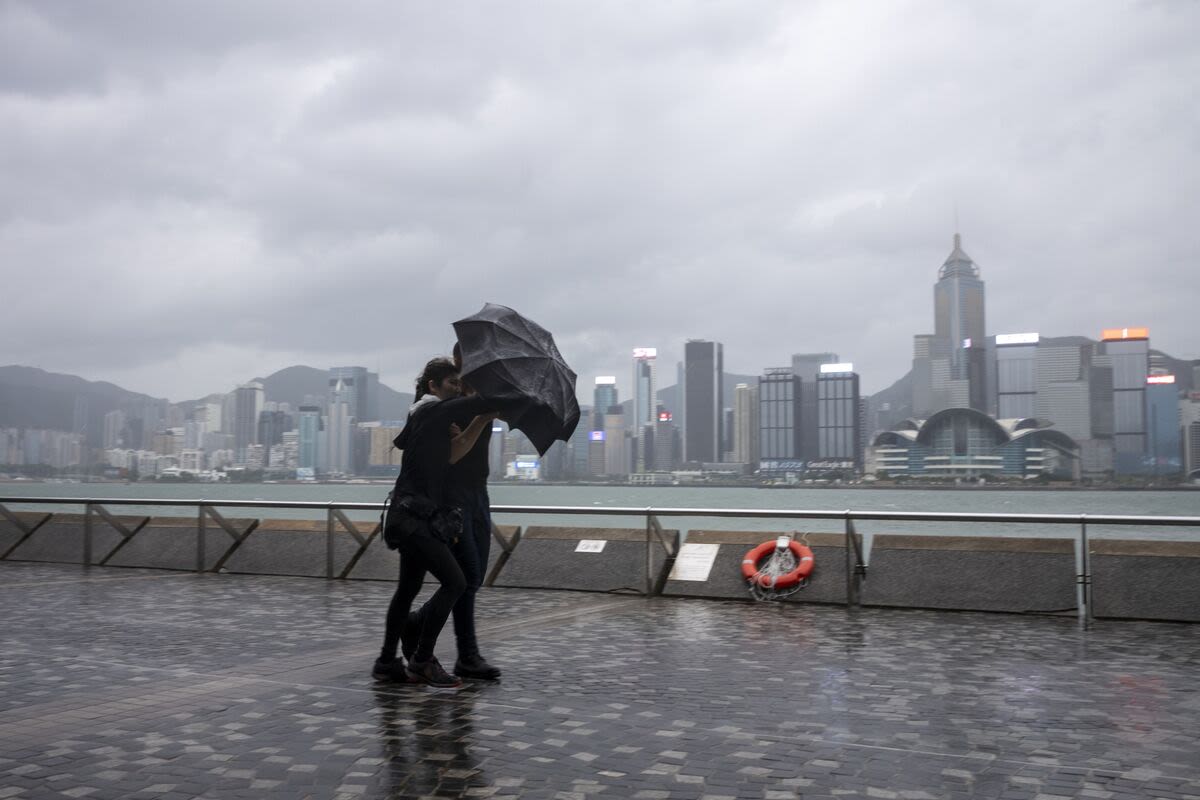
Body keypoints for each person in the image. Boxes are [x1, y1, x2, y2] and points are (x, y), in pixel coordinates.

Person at [373, 357, 503, 688]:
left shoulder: (425, 416)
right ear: (433, 387)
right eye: (452, 384)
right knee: (457, 583)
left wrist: (477, 422)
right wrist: (495, 400)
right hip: (414, 519)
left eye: (460, 385)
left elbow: (451, 455)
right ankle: (422, 660)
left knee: (408, 589)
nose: (458, 391)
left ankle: (387, 661)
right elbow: (463, 411)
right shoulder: (430, 410)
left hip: (410, 516)